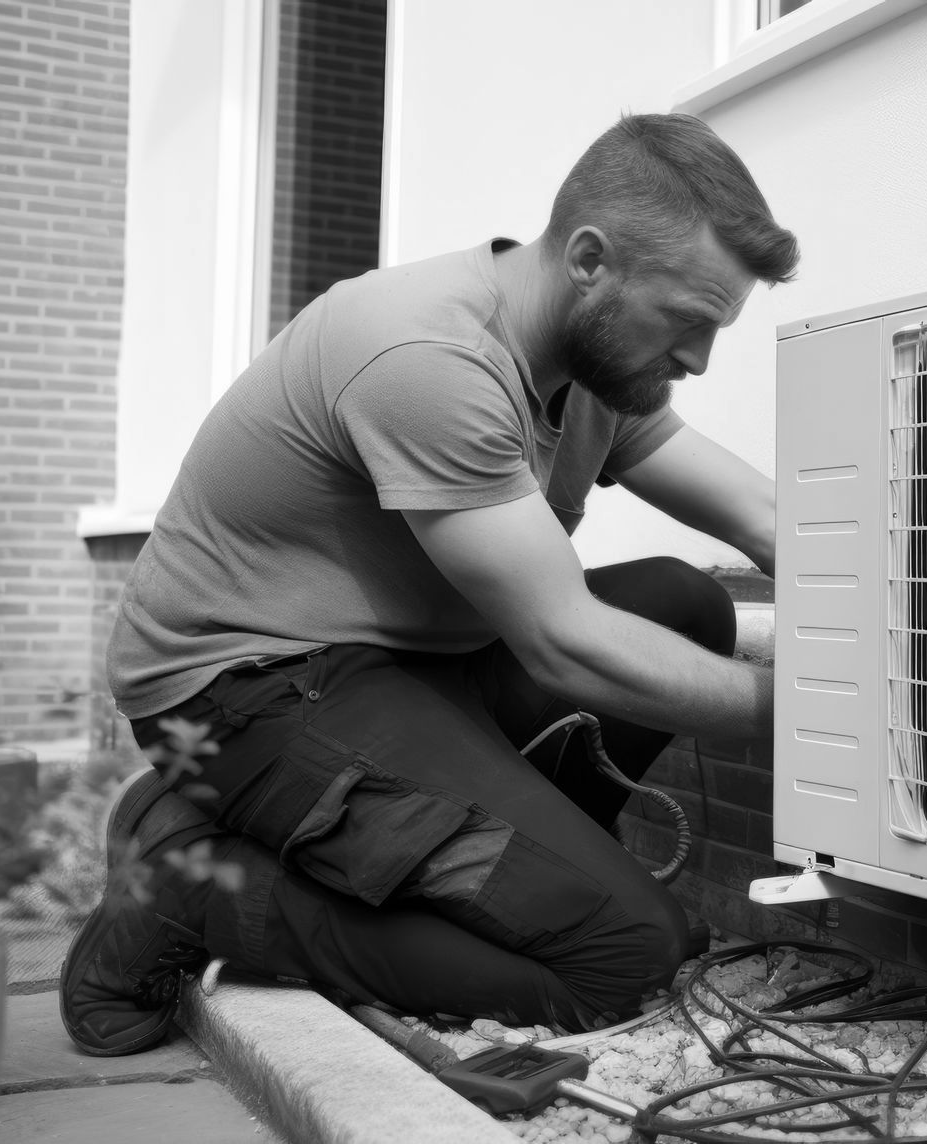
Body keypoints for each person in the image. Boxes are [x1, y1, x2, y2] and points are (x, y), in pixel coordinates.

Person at [60, 113, 798, 1056]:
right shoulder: (426, 357)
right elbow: (564, 643)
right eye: (688, 320)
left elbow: (765, 517)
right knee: (625, 957)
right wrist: (814, 710)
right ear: (589, 261)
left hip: (403, 670)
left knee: (683, 602)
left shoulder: (596, 365)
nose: (697, 360)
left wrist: (925, 621)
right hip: (245, 689)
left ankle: (517, 892)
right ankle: (196, 889)